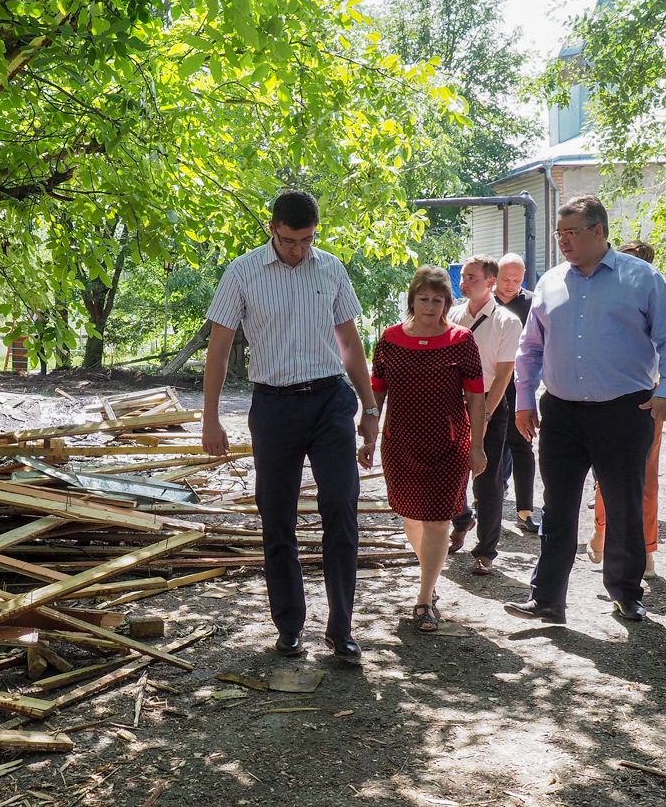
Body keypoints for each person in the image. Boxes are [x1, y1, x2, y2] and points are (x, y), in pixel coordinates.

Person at [202, 190, 379, 662]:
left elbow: (350, 343)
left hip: (330, 402)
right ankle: (289, 625)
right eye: (289, 240)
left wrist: (369, 408)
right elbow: (219, 349)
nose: (298, 249)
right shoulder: (242, 272)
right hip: (274, 406)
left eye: (307, 240)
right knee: (277, 514)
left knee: (340, 505)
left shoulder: (331, 268)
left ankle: (341, 628)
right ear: (272, 230)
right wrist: (210, 418)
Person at [506, 195, 666, 626]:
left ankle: (626, 593)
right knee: (558, 506)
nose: (564, 241)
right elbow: (529, 348)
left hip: (624, 411)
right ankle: (547, 599)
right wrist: (524, 399)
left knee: (624, 504)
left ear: (599, 231)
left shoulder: (641, 278)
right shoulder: (551, 282)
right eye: (559, 233)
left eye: (572, 232)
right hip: (562, 413)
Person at [362, 267, 487, 631]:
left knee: (438, 519)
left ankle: (424, 598)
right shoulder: (389, 339)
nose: (430, 307)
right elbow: (377, 391)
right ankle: (428, 575)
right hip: (400, 442)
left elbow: (475, 398)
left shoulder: (462, 340)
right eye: (423, 299)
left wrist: (477, 446)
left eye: (437, 300)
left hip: (449, 443)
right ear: (412, 300)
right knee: (411, 515)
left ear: (447, 303)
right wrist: (369, 436)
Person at [586, 239, 666, 578]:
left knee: (645, 477)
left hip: (644, 397)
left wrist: (656, 284)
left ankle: (647, 549)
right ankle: (602, 530)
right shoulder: (604, 291)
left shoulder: (653, 290)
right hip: (603, 393)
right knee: (606, 472)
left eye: (636, 261)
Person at [447, 256, 523, 576]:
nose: (464, 282)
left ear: (490, 282)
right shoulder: (453, 315)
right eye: (463, 276)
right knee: (449, 472)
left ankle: (486, 550)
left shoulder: (507, 321)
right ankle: (462, 518)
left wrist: (486, 415)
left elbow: (504, 374)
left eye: (472, 277)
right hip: (453, 403)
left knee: (487, 479)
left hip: (489, 402)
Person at [494, 253, 539, 534]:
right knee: (489, 445)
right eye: (505, 279)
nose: (510, 285)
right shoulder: (484, 302)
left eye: (517, 280)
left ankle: (525, 509)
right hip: (489, 384)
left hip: (520, 384)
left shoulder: (532, 303)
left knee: (523, 444)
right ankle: (486, 502)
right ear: (495, 277)